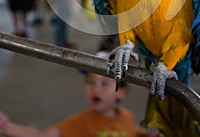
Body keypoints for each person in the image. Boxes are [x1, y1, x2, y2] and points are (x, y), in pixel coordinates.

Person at [0, 51, 162, 137]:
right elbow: (41, 134)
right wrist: (6, 127)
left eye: (104, 83)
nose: (96, 89)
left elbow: (132, 133)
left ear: (121, 93)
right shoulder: (82, 122)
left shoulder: (126, 117)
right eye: (90, 82)